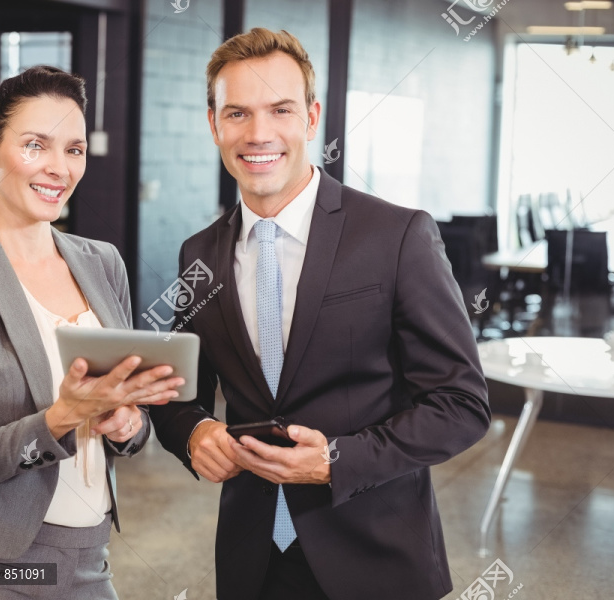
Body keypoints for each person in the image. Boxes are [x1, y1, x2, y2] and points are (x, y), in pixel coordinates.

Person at [149, 28, 490, 600]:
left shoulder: (397, 235)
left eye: (280, 109)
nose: (258, 134)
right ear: (214, 125)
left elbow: (461, 404)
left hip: (377, 559)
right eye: (237, 113)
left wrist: (337, 461)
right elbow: (178, 395)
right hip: (252, 562)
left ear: (311, 118)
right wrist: (194, 431)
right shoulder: (199, 254)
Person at [0, 65, 183, 599]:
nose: (59, 167)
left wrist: (129, 425)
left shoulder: (103, 263)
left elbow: (133, 421)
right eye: (35, 145)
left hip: (89, 553)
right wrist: (63, 417)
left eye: (74, 150)